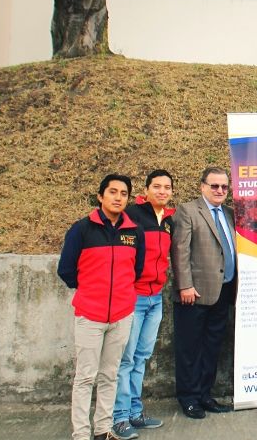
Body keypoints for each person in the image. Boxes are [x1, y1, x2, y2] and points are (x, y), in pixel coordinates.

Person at [57, 174, 145, 440]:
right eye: (113, 192)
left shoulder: (134, 232)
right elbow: (66, 270)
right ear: (101, 196)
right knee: (85, 377)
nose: (118, 197)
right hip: (90, 316)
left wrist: (120, 295)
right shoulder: (82, 229)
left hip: (121, 315)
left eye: (123, 193)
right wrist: (90, 291)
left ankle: (103, 430)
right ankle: (81, 434)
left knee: (110, 375)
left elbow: (136, 270)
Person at [111, 170, 175, 439]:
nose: (162, 191)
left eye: (167, 187)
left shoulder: (169, 220)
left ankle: (135, 413)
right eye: (156, 186)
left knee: (141, 358)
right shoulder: (134, 216)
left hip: (155, 298)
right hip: (134, 298)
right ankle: (118, 418)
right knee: (125, 360)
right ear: (146, 190)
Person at [171, 166, 236, 419]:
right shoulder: (188, 211)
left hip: (224, 292)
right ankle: (188, 398)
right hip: (194, 293)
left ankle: (205, 395)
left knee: (211, 347)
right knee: (190, 349)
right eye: (215, 186)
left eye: (224, 187)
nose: (220, 190)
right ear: (203, 186)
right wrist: (185, 285)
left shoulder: (230, 213)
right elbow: (180, 251)